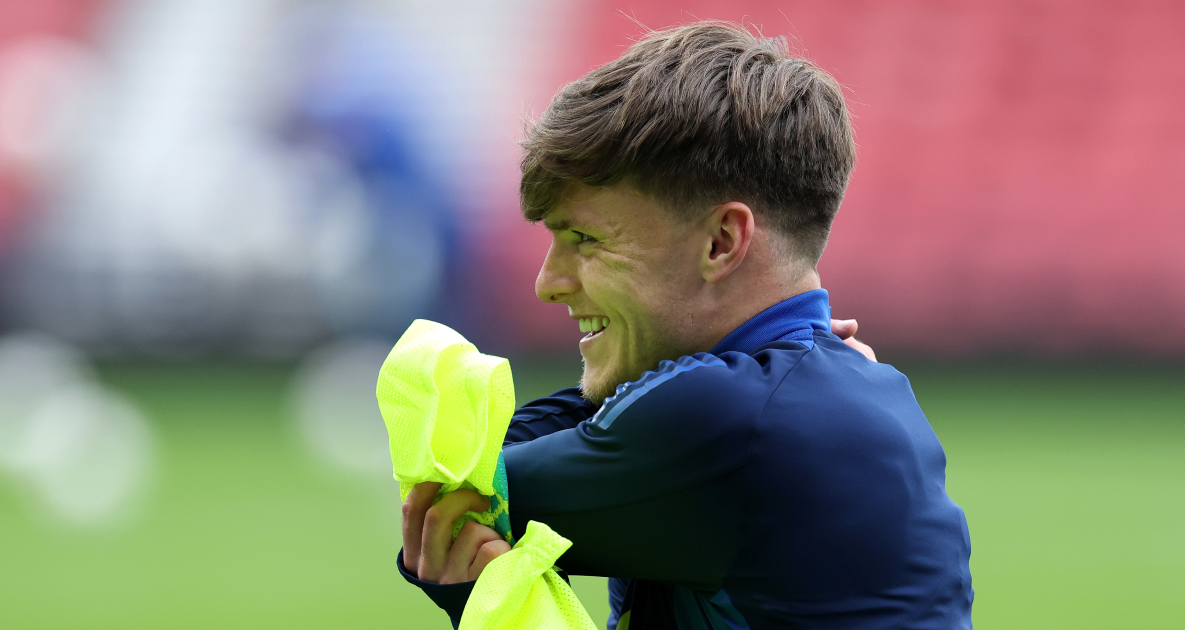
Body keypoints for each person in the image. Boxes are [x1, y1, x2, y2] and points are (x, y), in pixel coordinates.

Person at [396, 22, 973, 629]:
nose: (548, 282)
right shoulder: (828, 392)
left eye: (585, 238)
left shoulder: (728, 419)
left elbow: (452, 495)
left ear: (721, 242)